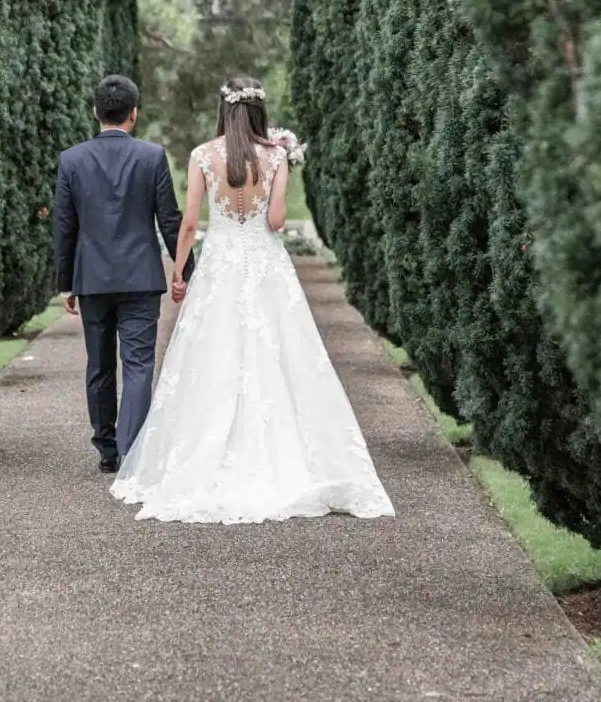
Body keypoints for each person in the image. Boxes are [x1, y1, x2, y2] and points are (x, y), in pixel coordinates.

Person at [110, 75, 395, 523]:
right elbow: (278, 221)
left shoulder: (203, 155)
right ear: (260, 110)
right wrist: (275, 184)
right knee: (280, 354)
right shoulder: (276, 154)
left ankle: (200, 460)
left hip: (220, 266)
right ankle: (292, 460)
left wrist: (180, 272)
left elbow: (188, 224)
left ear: (223, 110)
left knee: (212, 356)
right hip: (264, 267)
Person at [52, 75, 193, 474]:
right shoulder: (152, 156)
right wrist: (186, 271)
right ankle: (133, 450)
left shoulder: (72, 160)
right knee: (138, 366)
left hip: (92, 279)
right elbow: (170, 219)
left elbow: (65, 226)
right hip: (140, 278)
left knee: (99, 365)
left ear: (95, 112)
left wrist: (65, 281)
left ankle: (108, 449)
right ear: (134, 114)